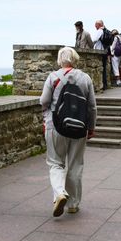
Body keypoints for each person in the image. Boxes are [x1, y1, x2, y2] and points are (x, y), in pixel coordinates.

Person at [39, 47, 96, 217]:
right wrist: (91, 127)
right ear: (75, 58)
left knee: (55, 162)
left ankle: (59, 193)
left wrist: (46, 115)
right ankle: (73, 204)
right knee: (75, 164)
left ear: (60, 59)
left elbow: (44, 101)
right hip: (79, 127)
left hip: (55, 125)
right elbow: (91, 106)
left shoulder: (53, 77)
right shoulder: (85, 78)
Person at [92, 19, 110, 90]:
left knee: (101, 69)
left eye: (95, 25)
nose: (95, 26)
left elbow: (94, 39)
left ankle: (103, 85)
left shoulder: (100, 31)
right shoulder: (105, 30)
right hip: (105, 51)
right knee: (104, 68)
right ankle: (105, 84)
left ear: (99, 25)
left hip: (100, 51)